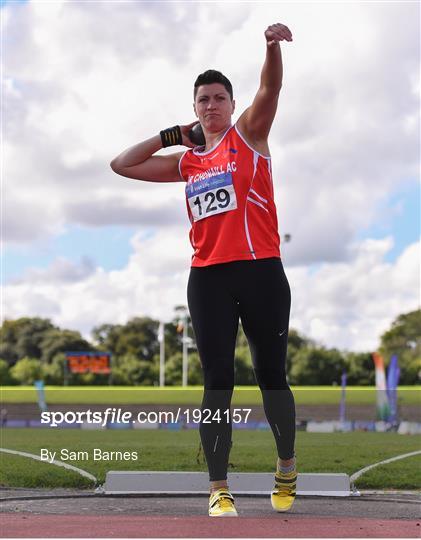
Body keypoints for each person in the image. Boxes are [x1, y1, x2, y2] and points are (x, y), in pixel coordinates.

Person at [111, 22, 296, 518]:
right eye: (203, 100)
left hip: (261, 272)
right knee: (217, 380)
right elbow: (121, 165)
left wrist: (271, 47)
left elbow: (270, 88)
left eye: (219, 98)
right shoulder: (188, 161)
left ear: (232, 106)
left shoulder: (250, 135)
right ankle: (219, 487)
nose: (211, 105)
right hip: (208, 277)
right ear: (195, 109)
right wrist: (172, 135)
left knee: (270, 375)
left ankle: (286, 468)